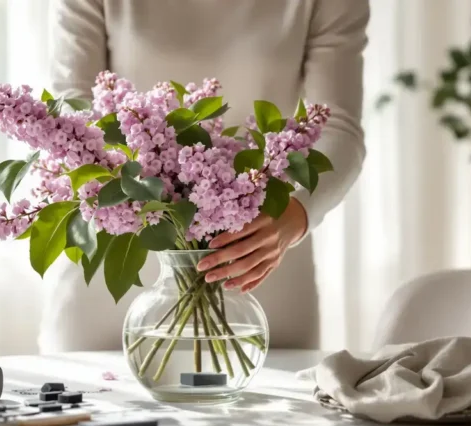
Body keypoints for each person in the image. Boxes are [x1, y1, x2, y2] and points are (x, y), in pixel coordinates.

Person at [39, 0, 369, 353]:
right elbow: (70, 112)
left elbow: (338, 126)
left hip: (257, 261)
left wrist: (297, 212)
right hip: (113, 271)